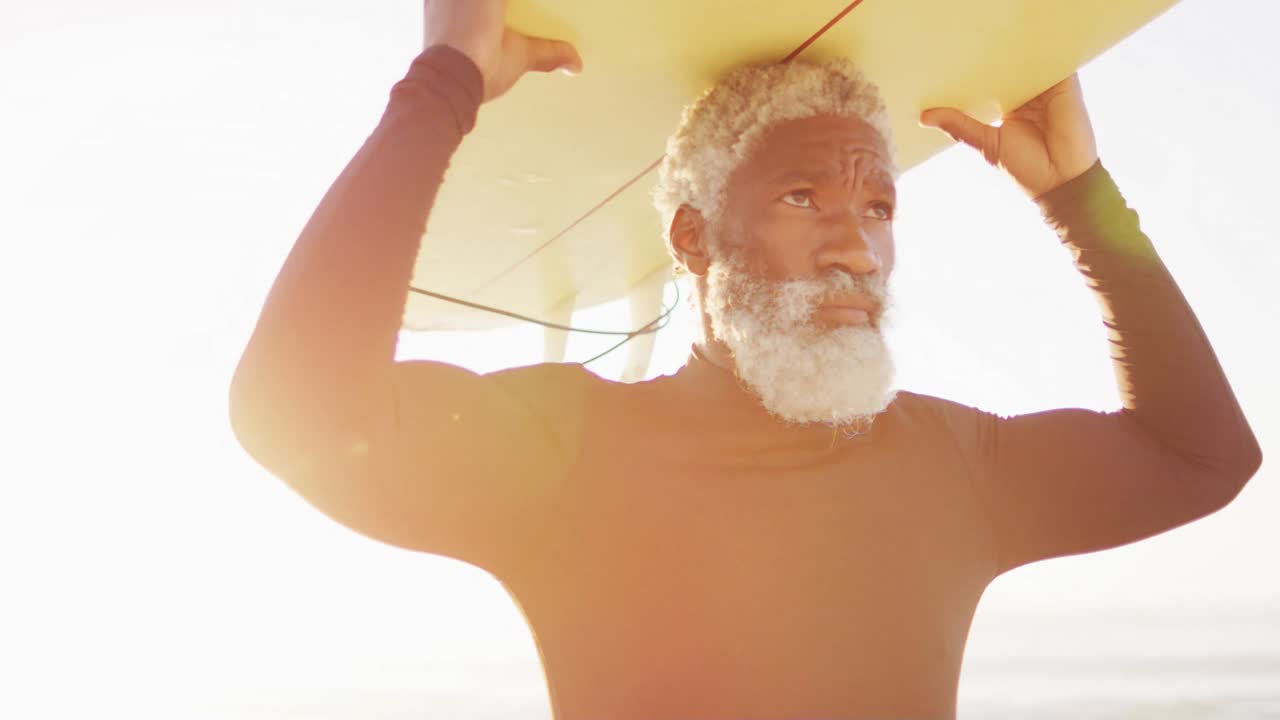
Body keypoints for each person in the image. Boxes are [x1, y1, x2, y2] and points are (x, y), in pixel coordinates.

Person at [228, 1, 1261, 718]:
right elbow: (292, 410)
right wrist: (442, 86)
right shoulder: (567, 449)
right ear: (692, 238)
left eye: (879, 206)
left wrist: (1079, 197)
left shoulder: (955, 464)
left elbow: (1205, 456)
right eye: (804, 197)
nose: (857, 248)